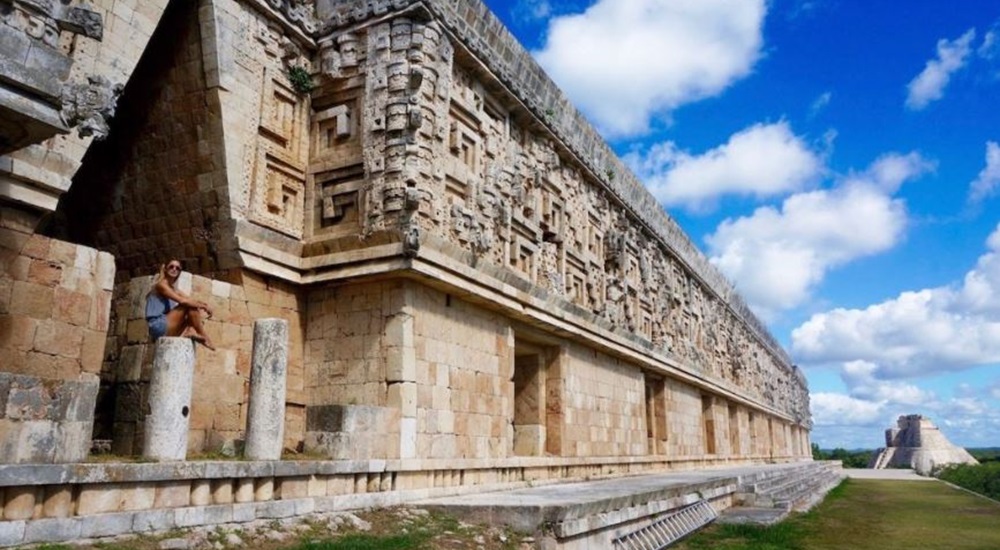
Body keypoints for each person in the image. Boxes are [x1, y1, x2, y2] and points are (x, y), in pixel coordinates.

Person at [145, 260, 215, 350]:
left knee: (192, 309)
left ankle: (190, 331)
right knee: (188, 306)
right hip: (158, 325)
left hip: (167, 327)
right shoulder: (161, 285)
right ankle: (203, 335)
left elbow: (189, 299)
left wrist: (203, 304)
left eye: (177, 268)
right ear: (165, 269)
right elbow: (183, 301)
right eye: (171, 267)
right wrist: (204, 307)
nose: (174, 269)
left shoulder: (173, 289)